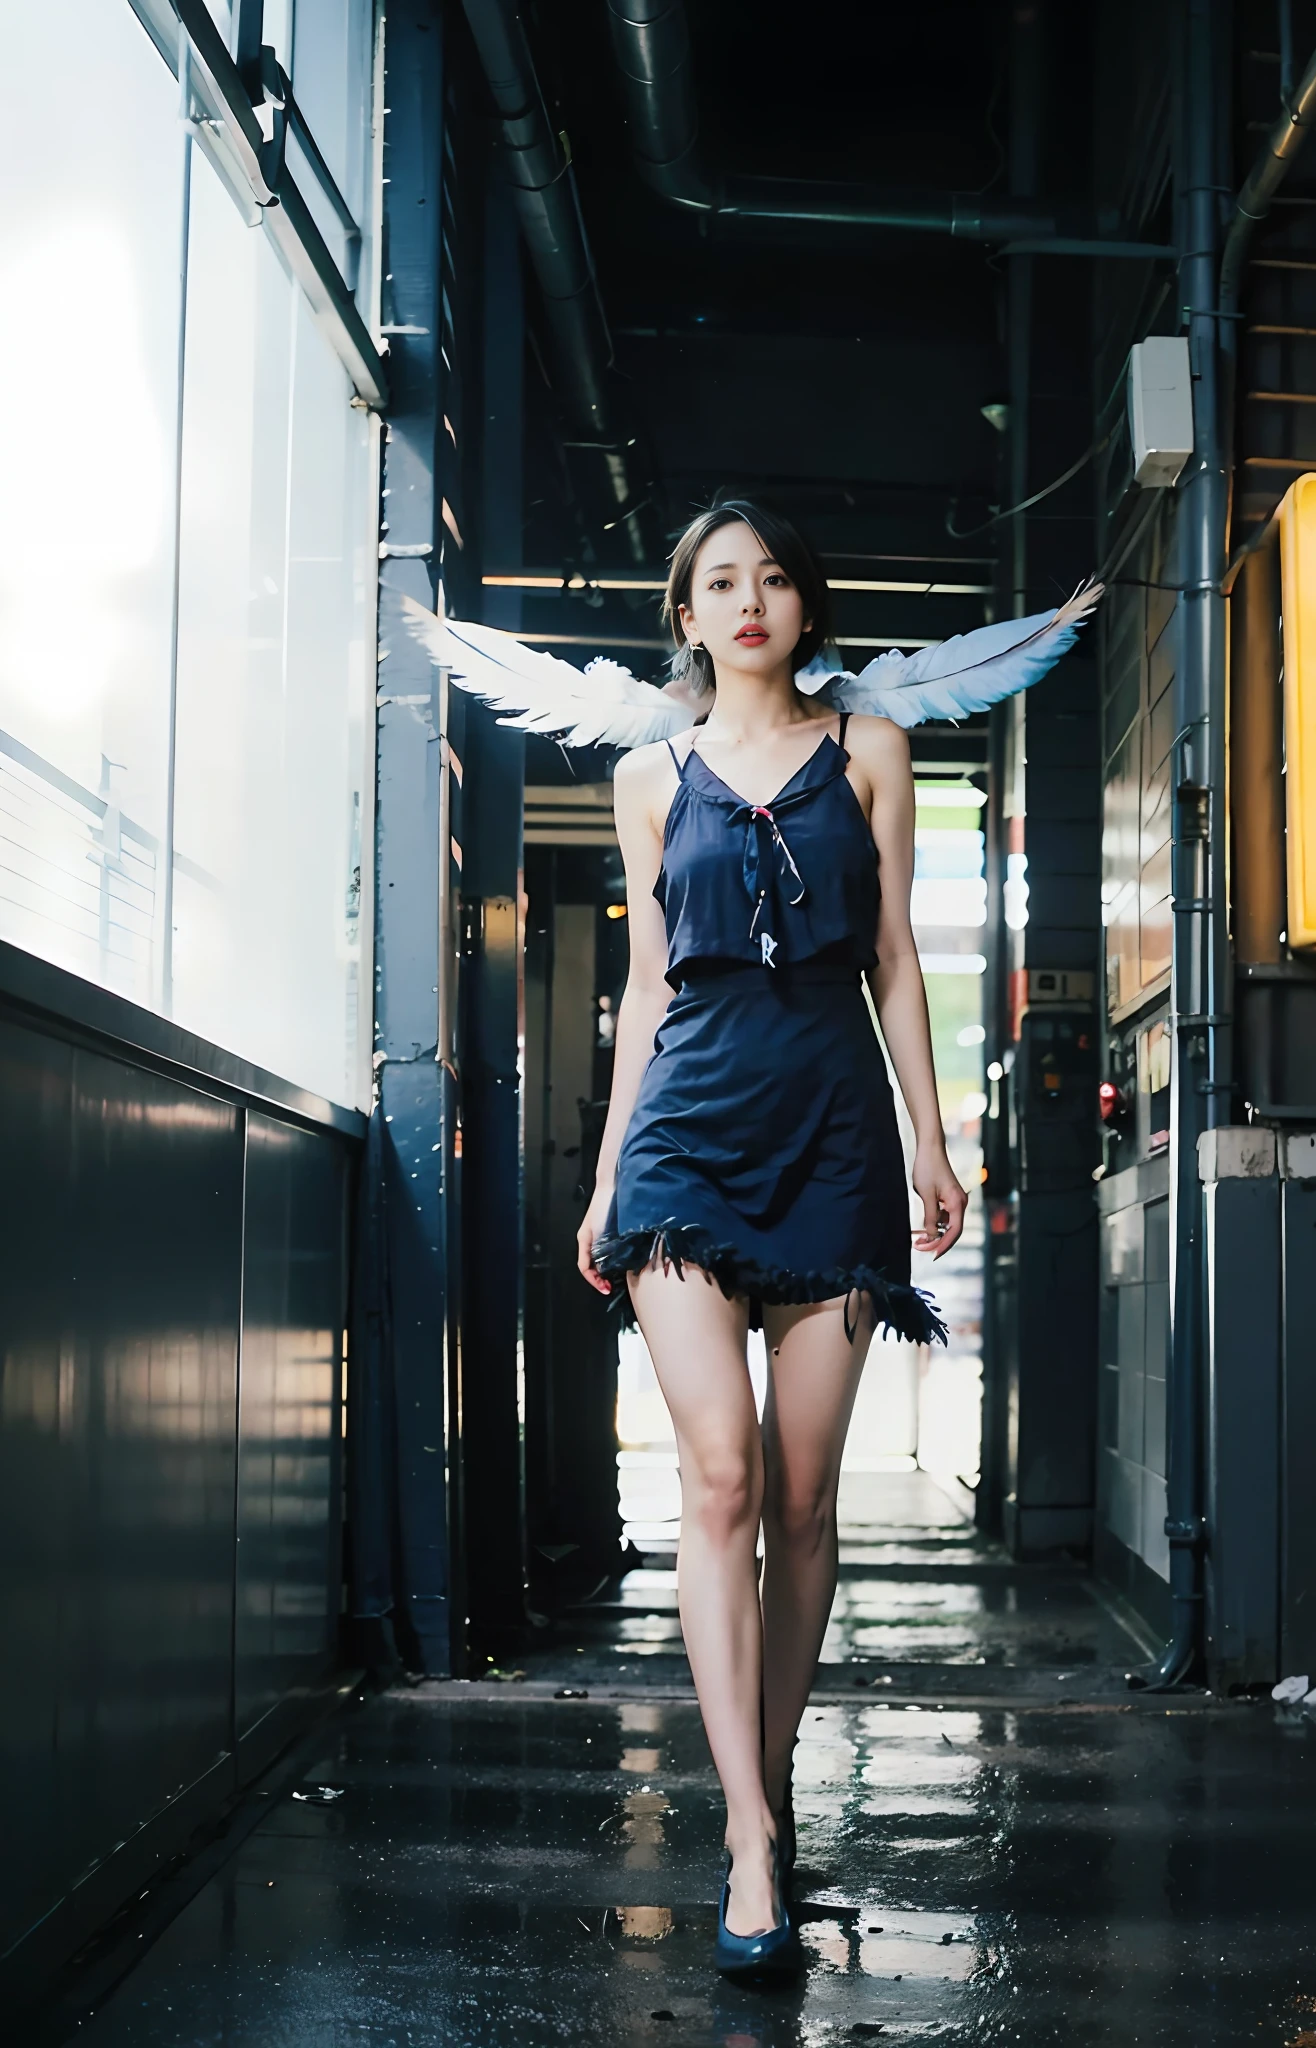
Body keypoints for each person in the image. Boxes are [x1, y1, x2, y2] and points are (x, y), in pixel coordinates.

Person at [407, 493, 1097, 1977]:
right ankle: (744, 1838)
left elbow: (899, 957)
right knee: (717, 1473)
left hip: (838, 1140)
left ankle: (763, 1781)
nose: (750, 600)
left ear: (806, 607)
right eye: (722, 580)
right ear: (687, 613)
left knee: (800, 1497)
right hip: (685, 1143)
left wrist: (933, 1136)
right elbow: (650, 986)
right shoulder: (652, 775)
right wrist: (603, 1182)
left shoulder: (873, 752)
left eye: (775, 578)